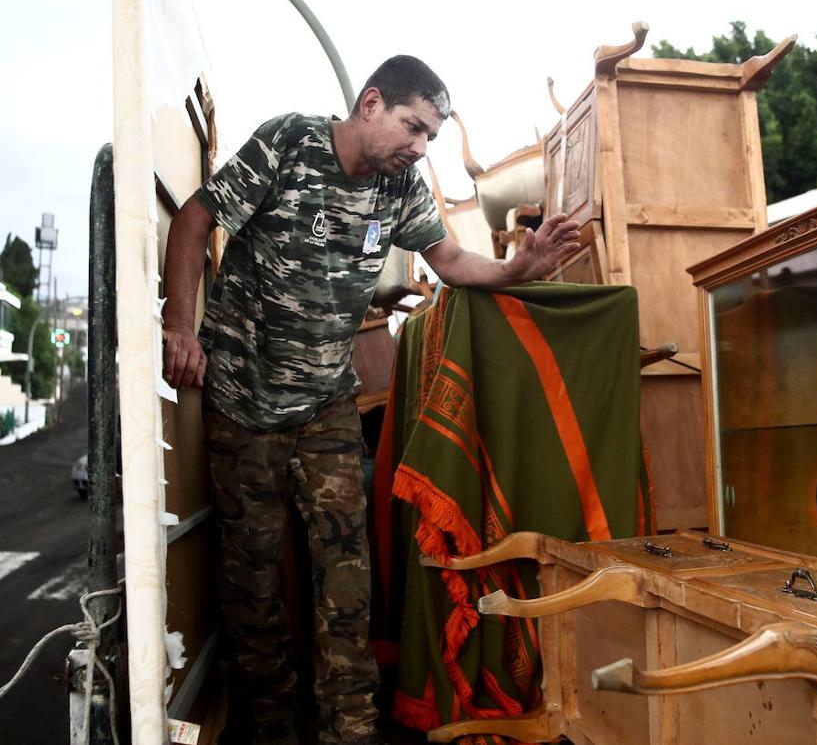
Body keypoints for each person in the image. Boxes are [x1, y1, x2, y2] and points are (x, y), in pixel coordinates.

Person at [161, 55, 580, 745]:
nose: (419, 148)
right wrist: (180, 327)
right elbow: (194, 219)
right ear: (371, 104)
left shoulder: (401, 188)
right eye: (413, 128)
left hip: (325, 405)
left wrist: (514, 269)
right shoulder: (289, 142)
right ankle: (271, 730)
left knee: (346, 583)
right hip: (243, 400)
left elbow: (447, 260)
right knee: (254, 588)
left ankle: (349, 731)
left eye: (431, 139)